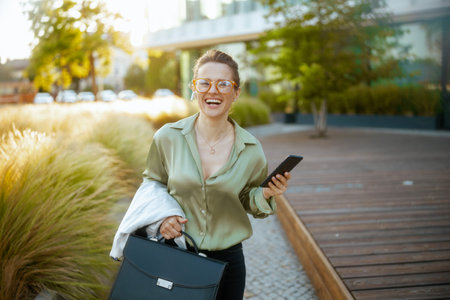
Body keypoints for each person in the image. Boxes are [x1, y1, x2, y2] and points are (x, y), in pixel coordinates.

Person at [144, 49, 291, 300]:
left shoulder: (252, 149)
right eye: (205, 82)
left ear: (235, 93)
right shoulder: (167, 137)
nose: (213, 90)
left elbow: (247, 198)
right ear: (194, 88)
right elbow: (152, 184)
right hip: (175, 255)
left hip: (228, 264)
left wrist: (265, 193)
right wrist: (162, 218)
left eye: (223, 84)